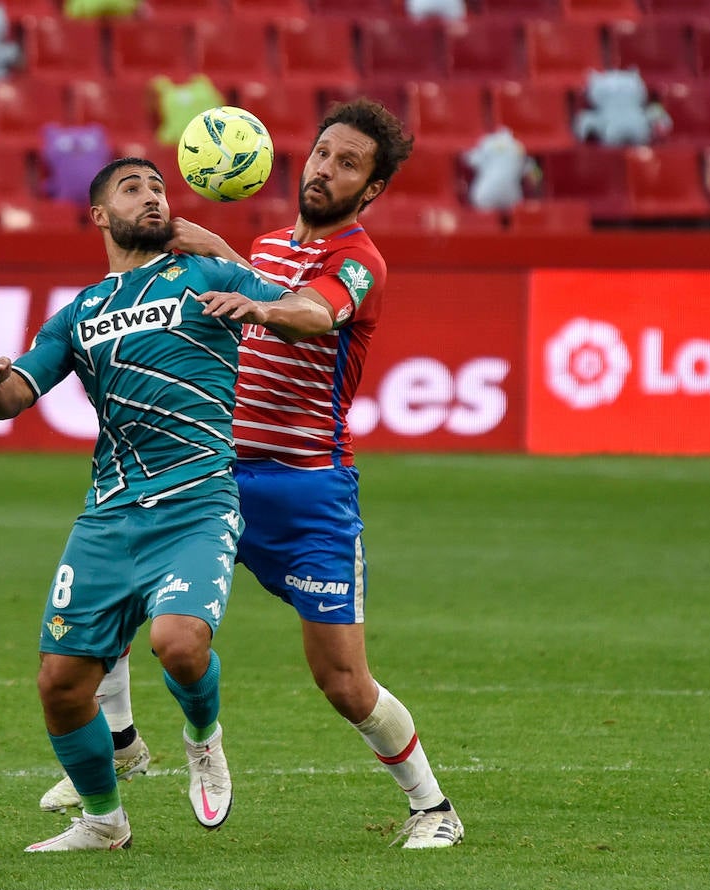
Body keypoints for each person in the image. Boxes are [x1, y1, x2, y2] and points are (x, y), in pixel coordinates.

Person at [39, 99, 465, 850]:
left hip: (307, 490)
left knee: (343, 681)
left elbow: (313, 312)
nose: (327, 169)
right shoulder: (263, 248)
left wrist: (258, 303)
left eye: (349, 164)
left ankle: (433, 808)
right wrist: (216, 253)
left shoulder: (359, 261)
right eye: (324, 153)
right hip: (214, 478)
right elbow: (233, 284)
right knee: (119, 603)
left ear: (370, 191)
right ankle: (121, 747)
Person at [0, 157, 289, 852]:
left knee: (179, 642)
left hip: (197, 498)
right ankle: (104, 821)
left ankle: (203, 738)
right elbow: (16, 396)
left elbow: (308, 309)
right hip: (110, 514)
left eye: (159, 187)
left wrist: (238, 270)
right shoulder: (78, 313)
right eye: (133, 189)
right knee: (60, 683)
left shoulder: (206, 274)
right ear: (101, 216)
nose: (153, 196)